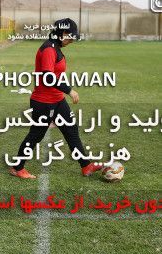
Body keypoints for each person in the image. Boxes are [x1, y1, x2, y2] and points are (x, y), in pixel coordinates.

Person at [9, 18, 102, 179]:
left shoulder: (56, 47)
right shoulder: (49, 49)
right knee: (36, 135)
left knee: (71, 131)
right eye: (71, 36)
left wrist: (64, 88)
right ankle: (17, 167)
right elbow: (47, 76)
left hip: (57, 100)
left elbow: (57, 75)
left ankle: (86, 166)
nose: (72, 40)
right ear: (62, 33)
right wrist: (69, 90)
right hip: (43, 102)